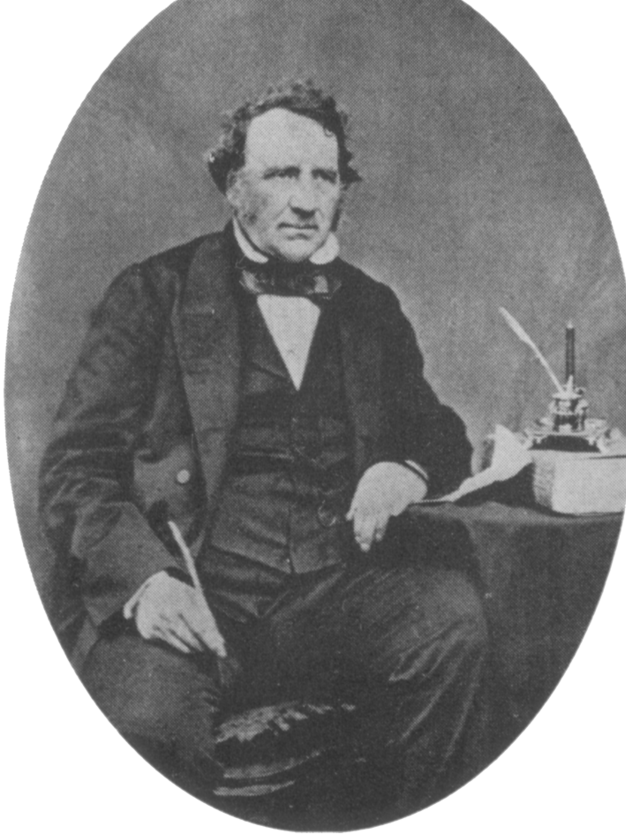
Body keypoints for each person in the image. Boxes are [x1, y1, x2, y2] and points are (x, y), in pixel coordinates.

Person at [39, 81, 487, 822]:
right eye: (283, 174)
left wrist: (400, 468)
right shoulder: (154, 294)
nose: (307, 199)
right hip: (189, 591)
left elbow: (441, 432)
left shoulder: (370, 307)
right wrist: (147, 583)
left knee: (453, 623)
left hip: (325, 597)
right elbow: (74, 468)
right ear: (233, 184)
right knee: (148, 727)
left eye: (325, 176)